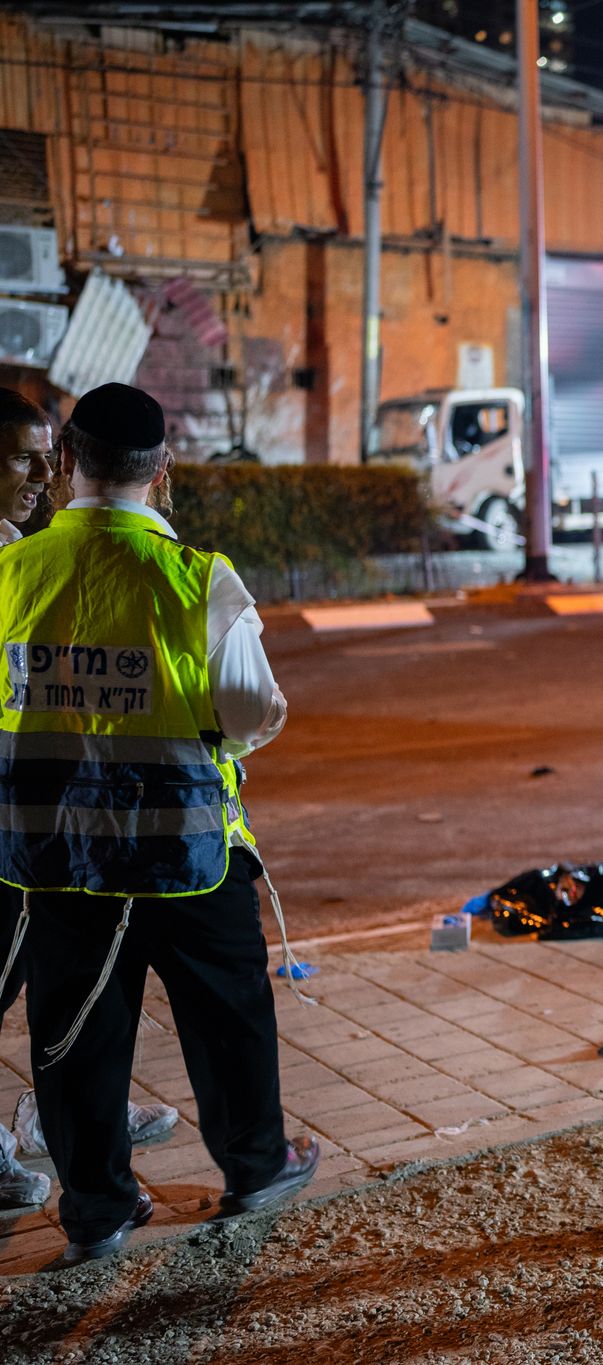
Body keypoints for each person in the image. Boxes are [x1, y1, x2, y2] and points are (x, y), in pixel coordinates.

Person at [1, 384, 316, 1265]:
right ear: (162, 474)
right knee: (229, 1016)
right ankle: (258, 1165)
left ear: (67, 465)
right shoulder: (198, 578)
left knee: (73, 1034)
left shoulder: (10, 574)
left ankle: (96, 1210)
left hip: (57, 858)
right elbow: (250, 709)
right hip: (186, 855)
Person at [0, 389, 180, 1215]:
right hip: (15, 817)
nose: (43, 475)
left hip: (36, 817)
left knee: (52, 974)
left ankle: (67, 1110)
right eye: (22, 459)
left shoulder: (19, 547)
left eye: (49, 457)